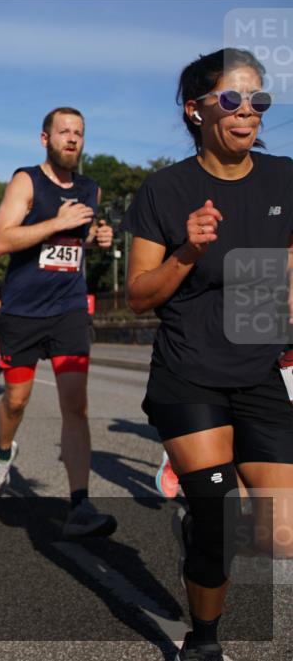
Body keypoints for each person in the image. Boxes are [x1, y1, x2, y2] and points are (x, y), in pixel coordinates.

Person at [124, 48, 291, 661]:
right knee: (221, 524)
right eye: (231, 99)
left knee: (279, 535)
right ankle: (203, 639)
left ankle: (197, 518)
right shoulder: (165, 190)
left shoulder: (285, 178)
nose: (247, 112)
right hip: (188, 371)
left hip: (259, 370)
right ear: (195, 110)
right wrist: (186, 252)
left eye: (258, 100)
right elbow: (140, 296)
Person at [0, 107, 117, 540]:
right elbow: (0, 241)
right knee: (17, 400)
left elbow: (78, 242)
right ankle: (4, 453)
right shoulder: (27, 180)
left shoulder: (89, 188)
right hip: (23, 312)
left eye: (78, 133)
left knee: (75, 404)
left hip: (69, 310)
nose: (72, 139)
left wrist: (98, 239)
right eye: (64, 132)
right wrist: (56, 222)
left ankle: (79, 504)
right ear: (45, 139)